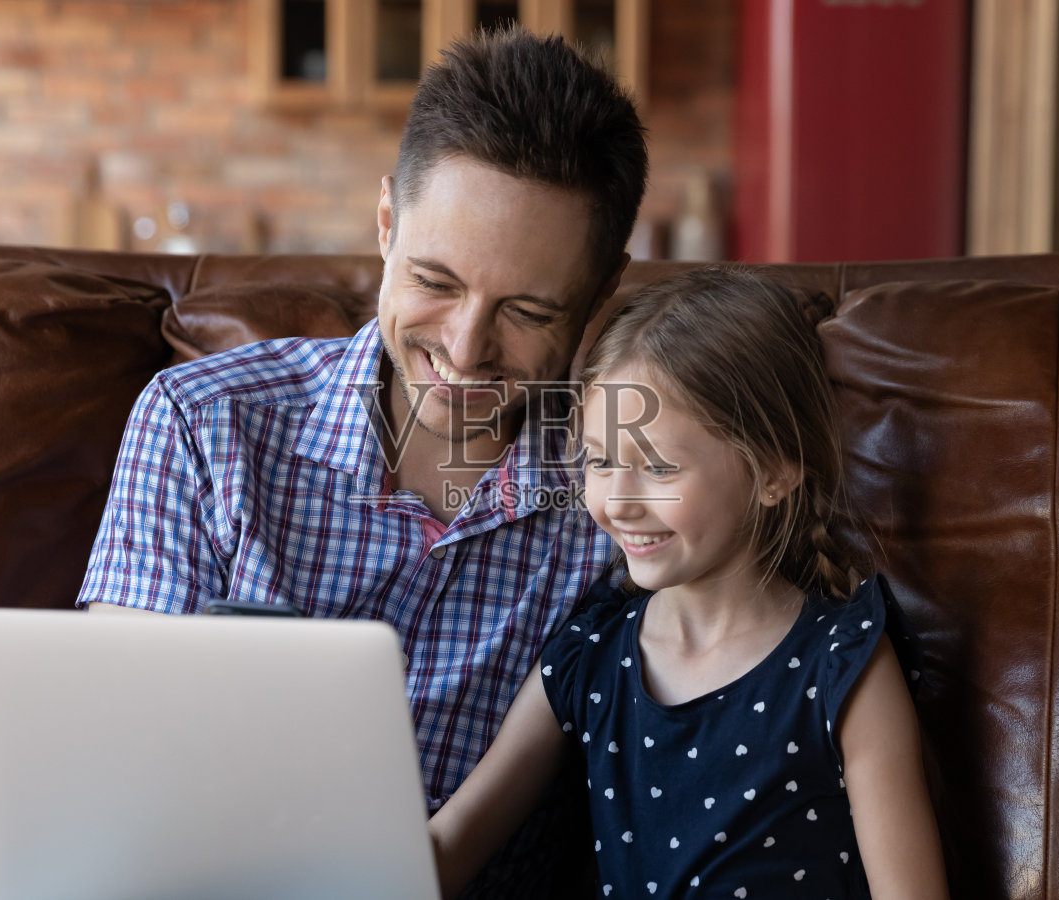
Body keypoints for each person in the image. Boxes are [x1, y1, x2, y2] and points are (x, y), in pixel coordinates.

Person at [75, 25, 647, 897]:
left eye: (527, 310)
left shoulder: (626, 503)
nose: (465, 348)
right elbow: (115, 757)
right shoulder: (203, 425)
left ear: (601, 295)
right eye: (437, 281)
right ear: (385, 225)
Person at [428, 267, 949, 899]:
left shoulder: (843, 663)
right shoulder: (588, 651)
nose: (617, 500)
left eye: (658, 465)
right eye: (599, 460)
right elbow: (452, 843)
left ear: (774, 474)